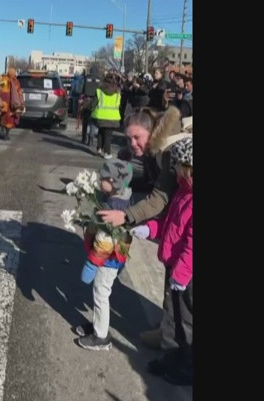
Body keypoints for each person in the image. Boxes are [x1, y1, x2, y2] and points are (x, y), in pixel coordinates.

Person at [96, 105, 186, 348]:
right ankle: (168, 328)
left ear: (151, 132)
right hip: (177, 217)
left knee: (181, 280)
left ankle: (175, 338)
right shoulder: (154, 147)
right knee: (172, 275)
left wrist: (125, 216)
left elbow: (160, 197)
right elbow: (150, 183)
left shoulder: (167, 149)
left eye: (137, 137)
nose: (133, 143)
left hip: (185, 219)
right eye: (128, 138)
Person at [130, 137, 193, 386]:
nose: (174, 170)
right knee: (173, 315)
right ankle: (172, 356)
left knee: (186, 321)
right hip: (174, 266)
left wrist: (182, 274)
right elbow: (171, 223)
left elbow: (192, 243)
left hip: (186, 273)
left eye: (177, 166)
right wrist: (151, 229)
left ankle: (186, 364)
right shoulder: (183, 192)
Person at [74, 159, 136, 351]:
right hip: (116, 255)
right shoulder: (123, 198)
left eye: (102, 178)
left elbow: (105, 239)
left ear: (113, 181)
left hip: (108, 259)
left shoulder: (112, 206)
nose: (99, 180)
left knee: (101, 293)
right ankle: (97, 325)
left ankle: (101, 336)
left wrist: (92, 264)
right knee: (100, 292)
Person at [90, 73, 123, 158]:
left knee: (101, 132)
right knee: (108, 135)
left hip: (100, 115)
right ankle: (107, 152)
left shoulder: (99, 91)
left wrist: (91, 110)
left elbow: (93, 103)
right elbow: (119, 105)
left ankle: (99, 149)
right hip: (113, 117)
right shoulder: (117, 92)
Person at [0, 68, 24, 139]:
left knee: (3, 117)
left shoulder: (4, 79)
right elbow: (19, 92)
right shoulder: (16, 81)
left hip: (5, 103)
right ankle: (7, 134)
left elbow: (0, 91)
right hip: (13, 104)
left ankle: (2, 132)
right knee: (10, 119)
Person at [80, 67, 101, 147]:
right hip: (96, 101)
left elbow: (81, 88)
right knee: (93, 121)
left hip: (86, 100)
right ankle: (90, 139)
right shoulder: (100, 79)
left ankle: (83, 138)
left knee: (85, 121)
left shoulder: (86, 78)